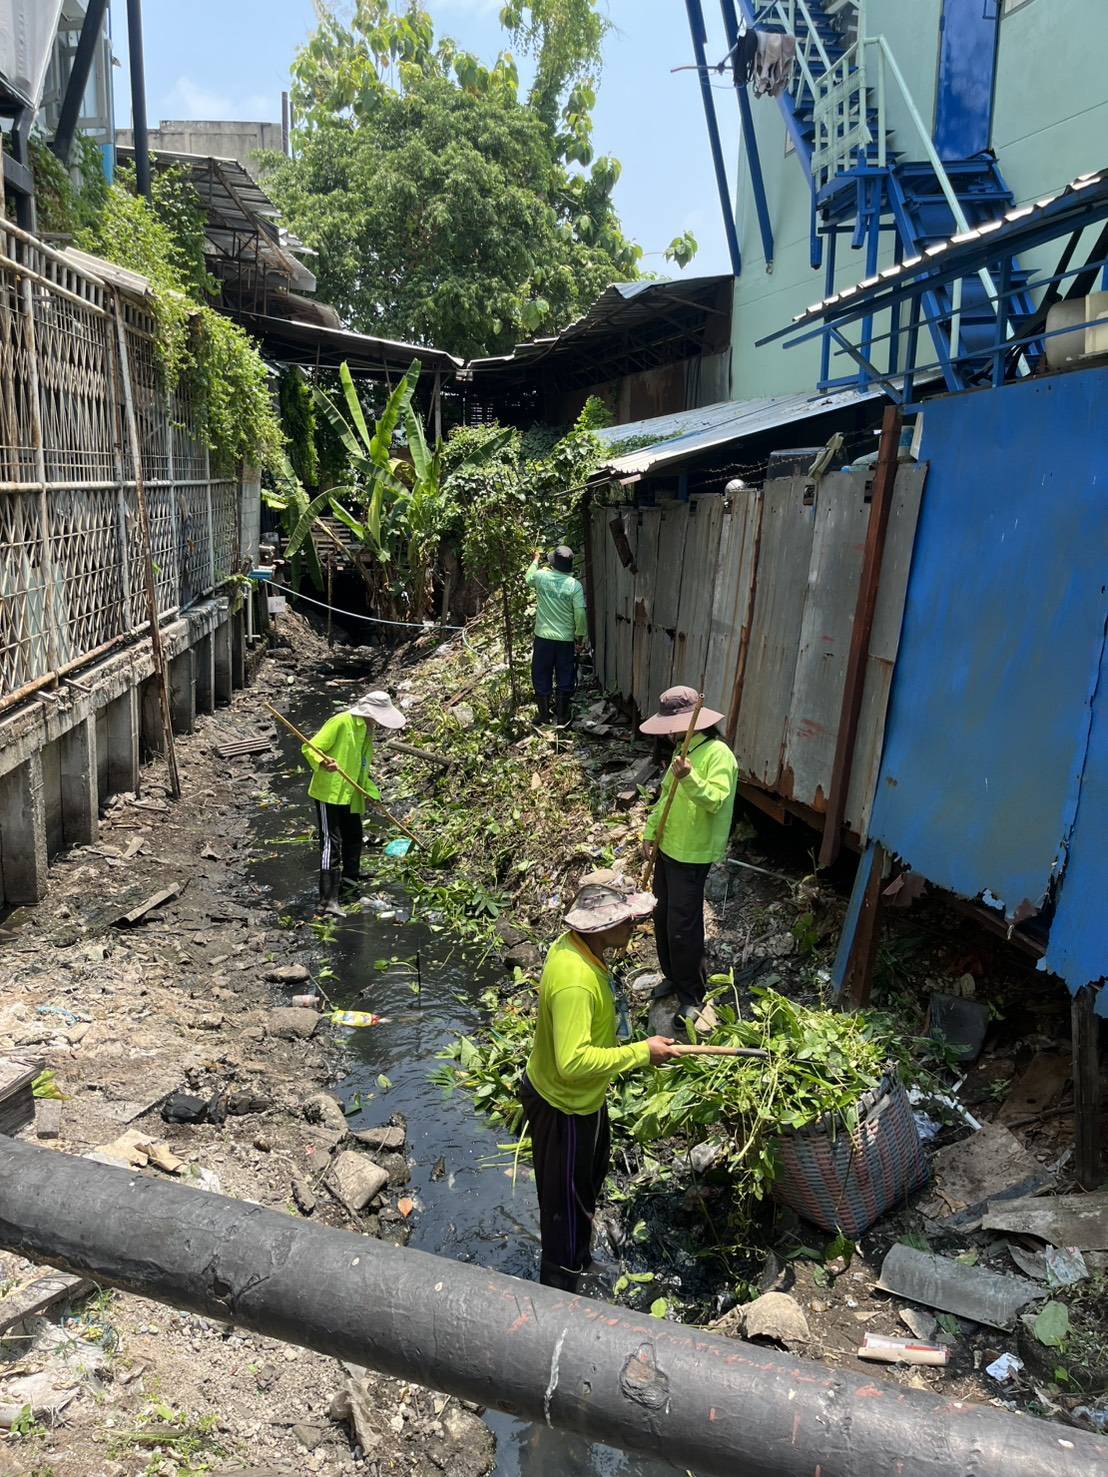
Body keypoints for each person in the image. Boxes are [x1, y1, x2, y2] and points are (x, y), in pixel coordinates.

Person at [520, 877, 680, 1291]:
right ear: (600, 925)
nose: (634, 925)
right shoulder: (575, 981)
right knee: (564, 1210)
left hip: (585, 1098)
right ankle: (561, 1285)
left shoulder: (577, 948)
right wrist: (641, 1053)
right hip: (563, 1106)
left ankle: (580, 1261)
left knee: (584, 1189)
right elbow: (572, 1063)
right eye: (626, 919)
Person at [640, 686, 739, 1033]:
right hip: (669, 847)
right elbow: (665, 798)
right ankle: (672, 975)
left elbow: (715, 799)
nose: (669, 732)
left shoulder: (717, 754)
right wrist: (650, 833)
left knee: (683, 925)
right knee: (662, 915)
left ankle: (692, 994)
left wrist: (690, 777)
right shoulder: (682, 751)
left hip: (693, 853)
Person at [302, 689, 407, 914]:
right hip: (329, 793)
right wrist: (323, 762)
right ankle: (326, 901)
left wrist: (373, 795)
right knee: (331, 844)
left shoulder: (366, 731)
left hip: (351, 793)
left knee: (354, 836)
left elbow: (362, 768)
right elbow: (310, 747)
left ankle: (349, 883)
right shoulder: (341, 722)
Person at [525, 544, 587, 727]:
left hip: (543, 638)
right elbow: (580, 614)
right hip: (565, 640)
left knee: (540, 674)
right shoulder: (575, 586)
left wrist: (535, 560)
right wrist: (580, 637)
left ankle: (543, 715)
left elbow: (528, 578)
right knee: (565, 675)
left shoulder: (541, 577)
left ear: (553, 563)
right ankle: (562, 717)